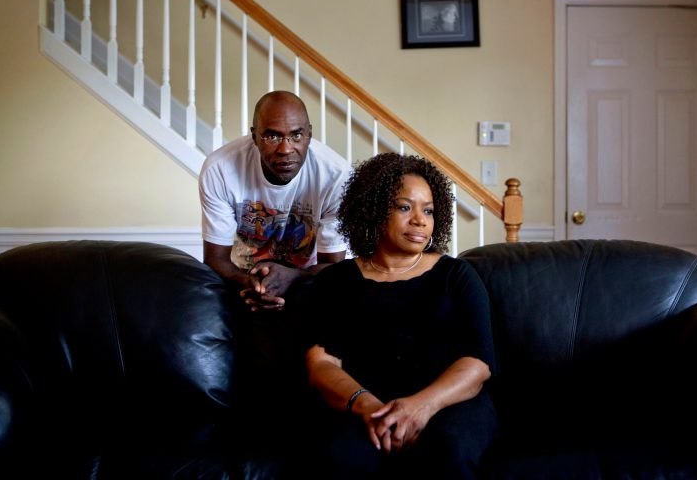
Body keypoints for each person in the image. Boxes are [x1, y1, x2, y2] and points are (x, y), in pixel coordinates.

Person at [304, 153, 498, 479]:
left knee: (450, 451)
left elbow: (478, 363)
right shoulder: (336, 281)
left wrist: (418, 407)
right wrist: (370, 408)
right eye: (405, 207)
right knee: (343, 455)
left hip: (447, 405)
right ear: (375, 210)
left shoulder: (457, 276)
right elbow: (321, 364)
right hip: (363, 406)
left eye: (429, 210)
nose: (420, 220)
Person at [199, 90, 351, 311]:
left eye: (297, 135)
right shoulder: (220, 169)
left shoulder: (336, 176)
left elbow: (333, 266)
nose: (285, 149)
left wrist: (292, 278)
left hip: (306, 282)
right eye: (272, 136)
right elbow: (215, 258)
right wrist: (251, 285)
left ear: (309, 134)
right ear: (255, 137)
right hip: (241, 282)